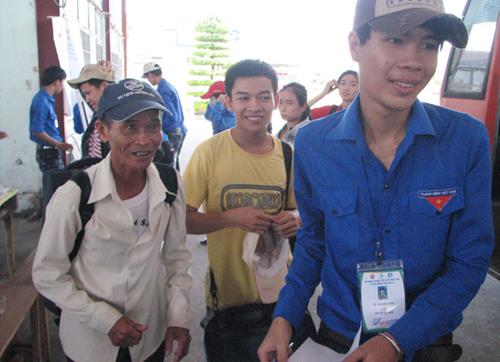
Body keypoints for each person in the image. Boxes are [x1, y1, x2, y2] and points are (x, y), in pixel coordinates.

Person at [258, 1, 494, 362]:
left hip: (425, 341)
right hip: (337, 336)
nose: (414, 60)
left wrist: (398, 340)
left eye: (429, 44)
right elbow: (314, 240)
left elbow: (470, 260)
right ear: (355, 44)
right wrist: (284, 315)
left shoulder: (465, 140)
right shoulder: (312, 143)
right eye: (397, 39)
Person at [33, 79, 192, 362]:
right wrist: (104, 319)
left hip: (150, 337)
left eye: (153, 126)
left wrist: (178, 315)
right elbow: (47, 274)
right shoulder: (75, 197)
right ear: (103, 130)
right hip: (89, 344)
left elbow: (176, 257)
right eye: (130, 126)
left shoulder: (170, 184)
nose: (144, 139)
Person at [183, 59, 311, 361]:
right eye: (243, 97)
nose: (254, 106)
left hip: (281, 296)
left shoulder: (288, 155)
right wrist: (230, 218)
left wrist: (293, 219)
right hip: (227, 300)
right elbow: (183, 220)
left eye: (264, 96)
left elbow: (302, 212)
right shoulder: (208, 154)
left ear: (275, 101)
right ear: (228, 102)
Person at [143, 62, 186, 170]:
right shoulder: (167, 86)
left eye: (148, 77)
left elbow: (171, 116)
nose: (148, 80)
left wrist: (158, 128)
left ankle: (173, 186)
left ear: (151, 75)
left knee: (169, 166)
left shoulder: (162, 90)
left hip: (173, 131)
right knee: (173, 164)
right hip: (178, 129)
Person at [29, 65, 73, 171]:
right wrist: (59, 144)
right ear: (57, 82)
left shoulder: (47, 99)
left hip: (52, 150)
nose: (62, 86)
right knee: (54, 185)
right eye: (62, 83)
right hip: (48, 153)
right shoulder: (41, 101)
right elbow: (37, 130)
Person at [68, 62, 115, 158]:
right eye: (84, 95)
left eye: (88, 93)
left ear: (104, 86)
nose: (87, 99)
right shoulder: (98, 115)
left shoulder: (118, 119)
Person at [276, 82, 310, 147]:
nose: (283, 108)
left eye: (289, 103)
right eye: (280, 102)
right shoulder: (281, 132)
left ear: (303, 106)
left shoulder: (310, 134)